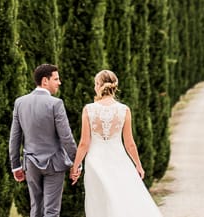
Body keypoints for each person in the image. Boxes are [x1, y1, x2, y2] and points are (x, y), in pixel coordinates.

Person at [69, 70, 162, 216]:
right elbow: (129, 143)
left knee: (99, 202)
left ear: (98, 85)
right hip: (119, 159)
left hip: (95, 161)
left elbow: (84, 143)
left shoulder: (89, 109)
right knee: (121, 198)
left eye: (95, 84)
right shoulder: (124, 110)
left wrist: (75, 167)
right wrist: (138, 165)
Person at [10, 63, 78, 217]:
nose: (59, 82)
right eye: (56, 79)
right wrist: (76, 162)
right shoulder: (56, 104)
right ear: (45, 81)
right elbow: (66, 137)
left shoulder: (20, 103)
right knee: (52, 211)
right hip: (54, 164)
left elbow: (15, 137)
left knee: (36, 208)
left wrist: (16, 166)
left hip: (31, 163)